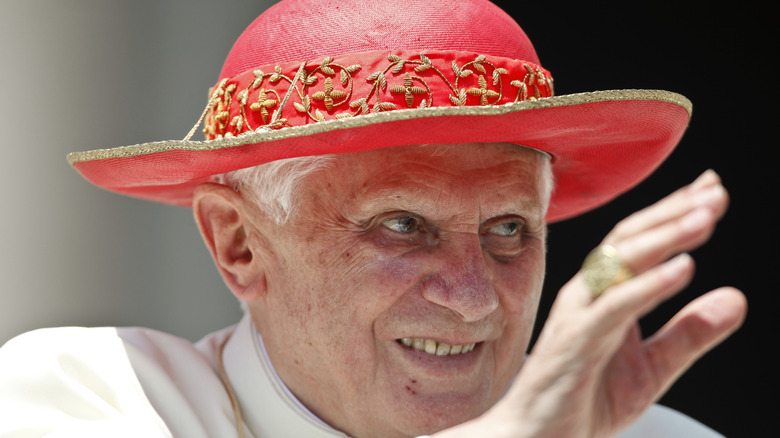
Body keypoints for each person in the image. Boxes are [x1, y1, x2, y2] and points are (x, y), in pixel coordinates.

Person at [0, 0, 747, 437]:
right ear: (238, 244)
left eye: (510, 229)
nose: (475, 296)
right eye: (402, 225)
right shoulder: (89, 395)